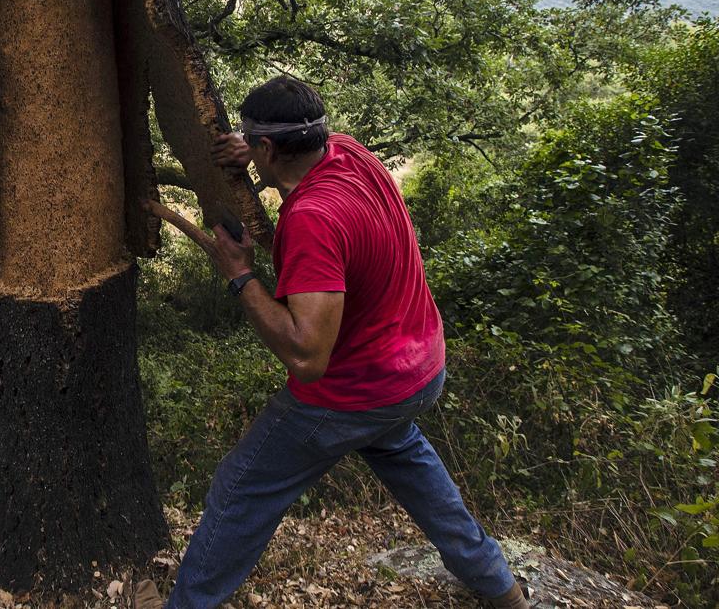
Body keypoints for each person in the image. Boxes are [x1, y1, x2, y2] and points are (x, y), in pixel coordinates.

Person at [145, 76, 528, 609]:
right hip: (419, 369)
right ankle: (499, 587)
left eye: (255, 143)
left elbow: (308, 356)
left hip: (355, 391)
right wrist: (248, 147)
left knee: (240, 488)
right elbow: (292, 159)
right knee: (405, 455)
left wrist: (239, 275)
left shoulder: (312, 219)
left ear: (269, 148)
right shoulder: (349, 151)